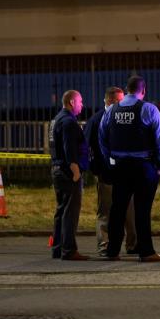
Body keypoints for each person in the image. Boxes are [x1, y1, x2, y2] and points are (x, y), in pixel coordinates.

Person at [99, 75, 160, 262]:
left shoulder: (111, 110)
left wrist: (110, 159)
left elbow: (102, 138)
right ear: (143, 90)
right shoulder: (149, 109)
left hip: (120, 167)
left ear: (126, 89)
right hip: (143, 166)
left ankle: (112, 251)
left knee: (117, 209)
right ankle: (146, 252)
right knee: (142, 210)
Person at [84, 86, 137, 257]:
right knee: (106, 211)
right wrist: (96, 169)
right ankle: (104, 246)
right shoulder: (97, 120)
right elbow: (88, 146)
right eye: (121, 101)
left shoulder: (122, 117)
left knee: (130, 211)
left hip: (125, 174)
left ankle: (132, 244)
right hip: (106, 174)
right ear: (111, 101)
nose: (124, 104)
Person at [49, 90, 90, 261]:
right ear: (72, 102)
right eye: (80, 101)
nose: (82, 104)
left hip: (57, 170)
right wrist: (76, 172)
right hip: (68, 172)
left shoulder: (56, 120)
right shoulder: (69, 122)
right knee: (70, 213)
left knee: (61, 211)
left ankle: (57, 248)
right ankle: (69, 250)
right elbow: (69, 150)